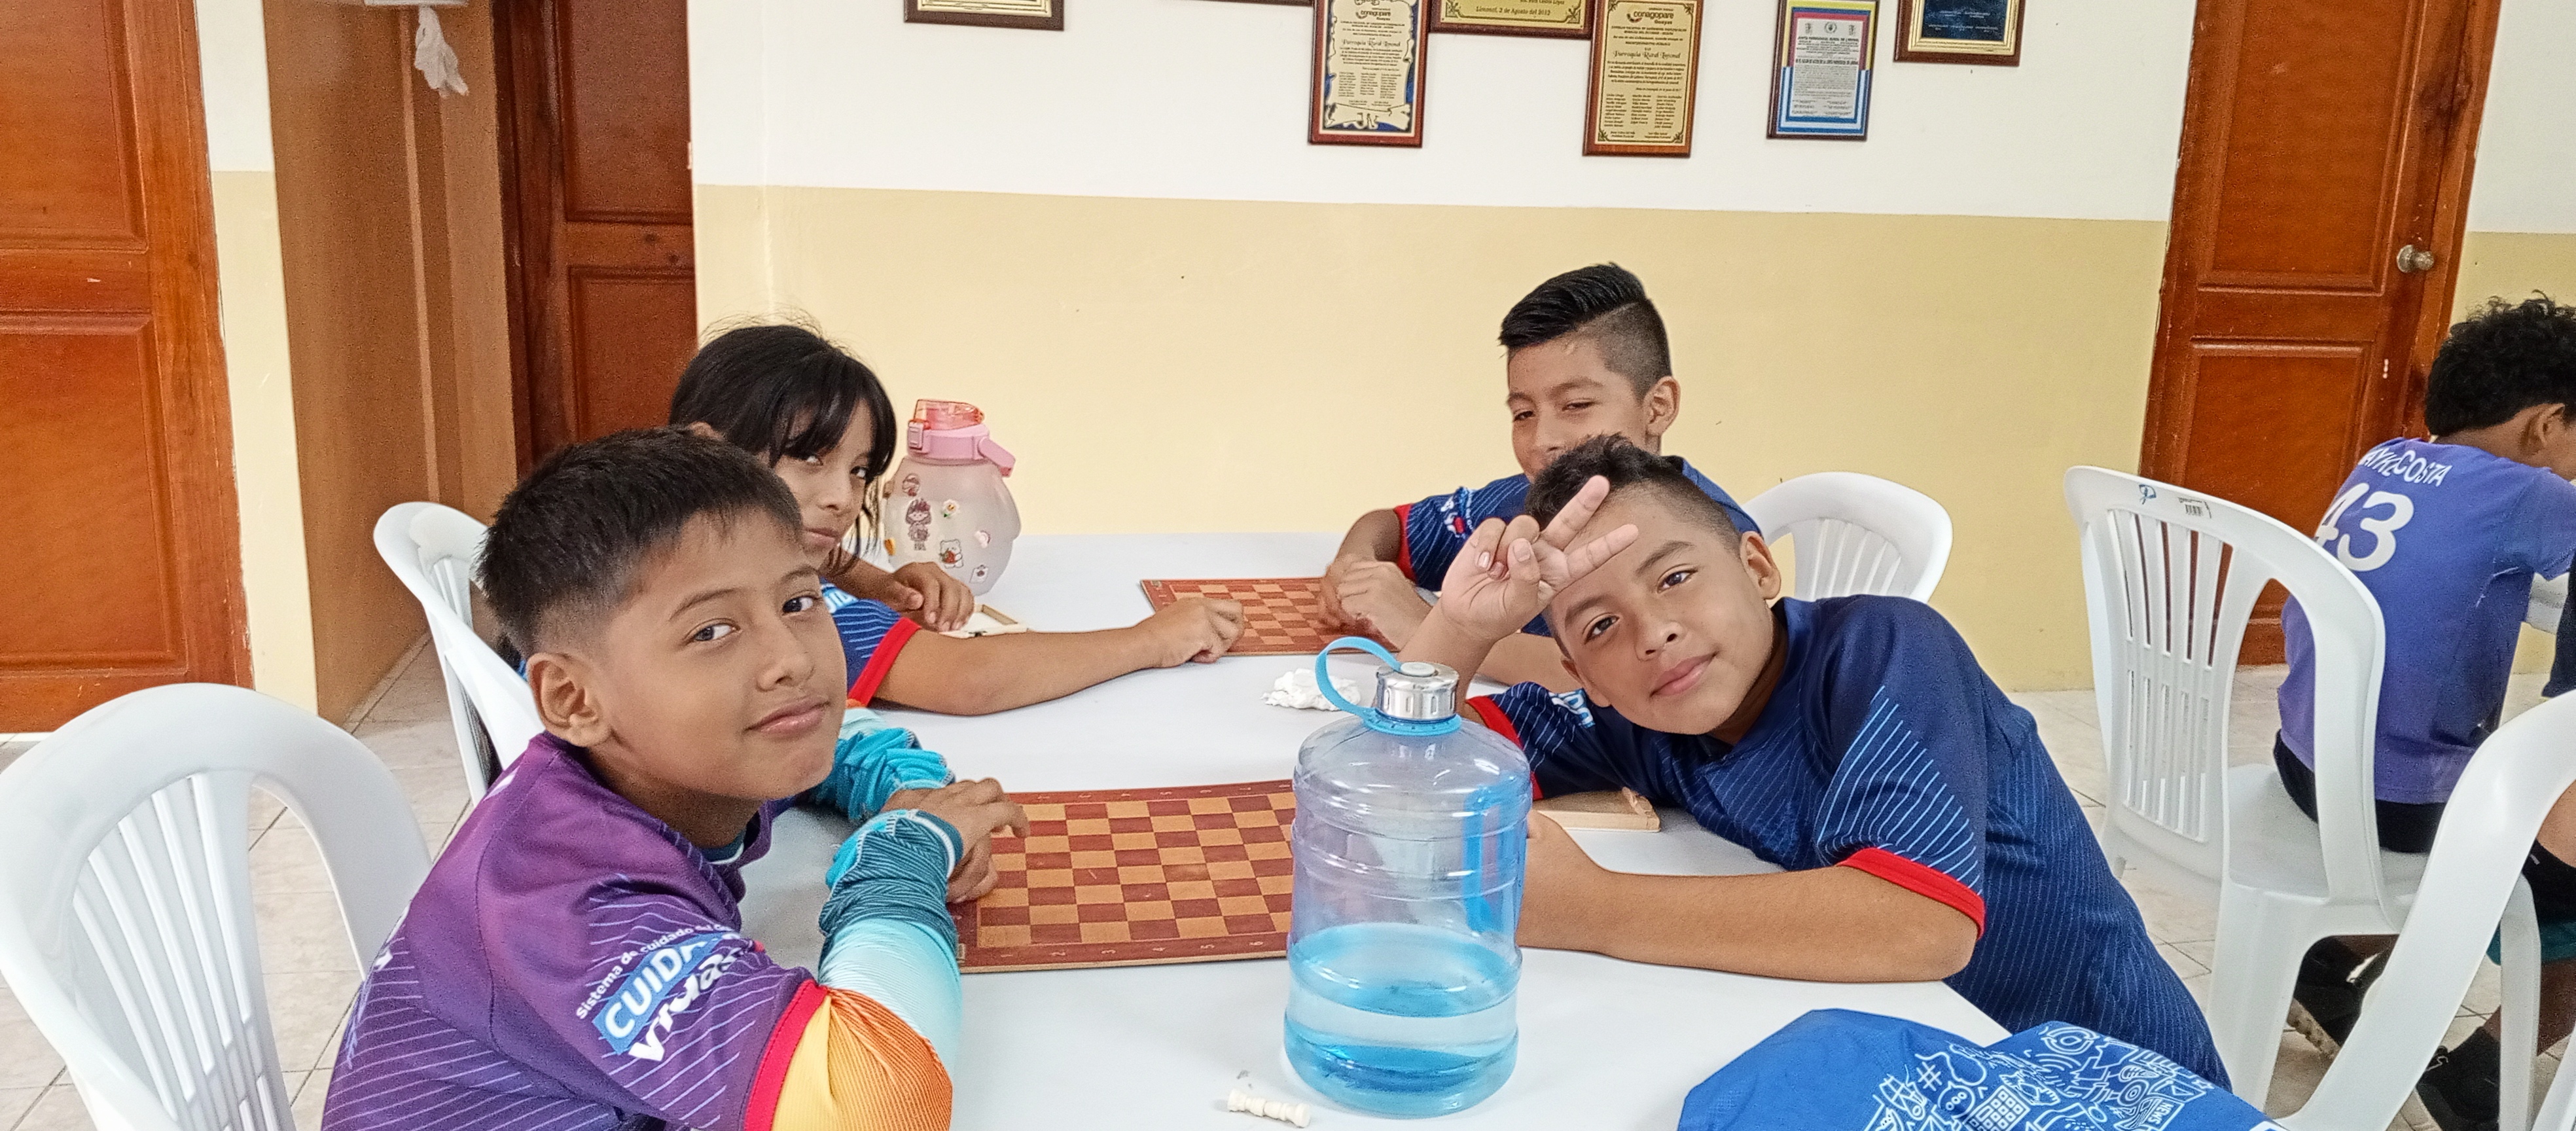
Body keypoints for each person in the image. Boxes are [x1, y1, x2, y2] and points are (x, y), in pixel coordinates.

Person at [1398, 435, 2226, 1084]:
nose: (1653, 633)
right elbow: (1405, 771)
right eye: (1600, 626)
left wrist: (1594, 909)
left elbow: (1920, 926)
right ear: (1582, 675)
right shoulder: (1642, 718)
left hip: (2111, 1074)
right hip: (1929, 1065)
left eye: (1675, 577)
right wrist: (1462, 629)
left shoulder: (1887, 647)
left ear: (1758, 568)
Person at [321, 428, 1026, 1130]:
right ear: (574, 699)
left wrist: (901, 786)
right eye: (711, 632)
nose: (792, 659)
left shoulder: (665, 764)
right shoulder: (561, 907)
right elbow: (874, 1105)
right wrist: (904, 851)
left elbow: (840, 738)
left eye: (798, 603)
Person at [2271, 296, 2576, 1131]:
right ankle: (2477, 1081)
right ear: (2547, 424)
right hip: (2398, 800)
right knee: (2557, 892)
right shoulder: (2527, 494)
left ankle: (2328, 967)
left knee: (2500, 856)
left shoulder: (2388, 456)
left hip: (2308, 762)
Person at [671, 322, 1245, 714]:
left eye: (860, 470)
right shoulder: (785, 617)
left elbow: (825, 558)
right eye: (809, 458)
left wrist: (882, 584)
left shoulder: (672, 541)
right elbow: (972, 680)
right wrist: (1150, 640)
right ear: (708, 451)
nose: (842, 498)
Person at [1320, 264, 1758, 691]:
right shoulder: (1523, 500)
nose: (1543, 440)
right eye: (1524, 414)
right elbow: (1390, 525)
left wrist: (1427, 625)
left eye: (1576, 405)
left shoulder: (1710, 535)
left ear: (1658, 407)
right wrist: (1354, 565)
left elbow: (1607, 674)